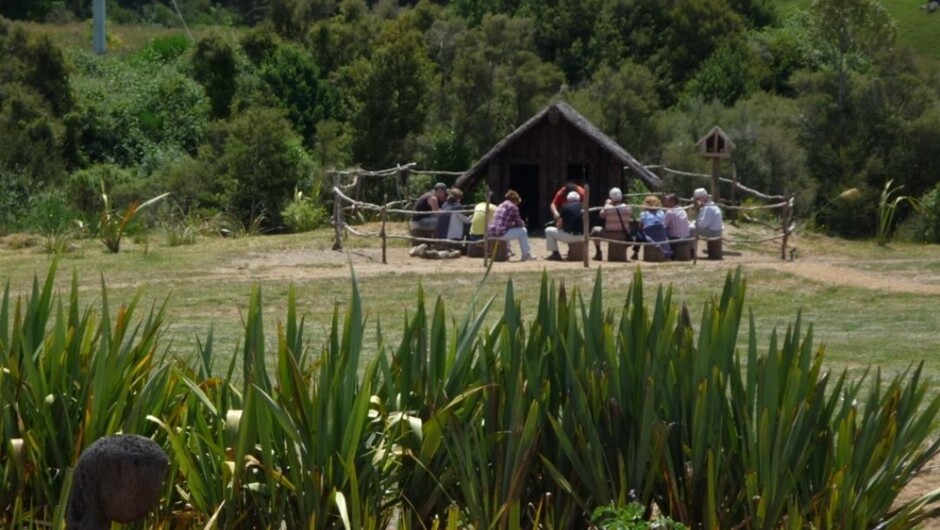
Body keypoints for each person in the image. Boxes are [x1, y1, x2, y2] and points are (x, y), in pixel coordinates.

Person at [486, 189, 536, 261]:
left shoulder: (501, 205)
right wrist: (523, 223)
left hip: (491, 233)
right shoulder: (513, 207)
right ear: (515, 200)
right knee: (523, 231)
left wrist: (512, 224)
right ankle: (526, 254)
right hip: (500, 233)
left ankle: (508, 252)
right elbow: (519, 223)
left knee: (507, 230)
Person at [590, 187, 633, 261]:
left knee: (595, 230)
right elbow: (630, 216)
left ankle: (598, 253)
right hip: (623, 233)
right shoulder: (628, 207)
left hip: (609, 233)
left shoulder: (608, 207)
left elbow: (601, 215)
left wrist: (606, 204)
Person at [545, 191, 584, 261]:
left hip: (571, 236)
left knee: (548, 230)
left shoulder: (565, 207)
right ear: (578, 199)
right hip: (583, 237)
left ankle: (555, 254)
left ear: (568, 199)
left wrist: (558, 221)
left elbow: (559, 226)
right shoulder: (584, 206)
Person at [633, 195, 672, 260]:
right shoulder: (661, 213)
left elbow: (640, 226)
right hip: (661, 236)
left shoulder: (644, 214)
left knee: (638, 234)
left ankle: (635, 253)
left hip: (649, 236)